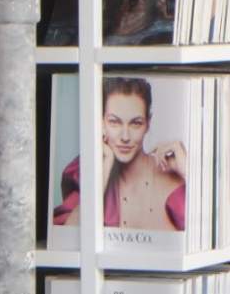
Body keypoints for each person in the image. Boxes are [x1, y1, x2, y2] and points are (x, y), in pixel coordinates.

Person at [51, 75, 188, 235]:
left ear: (148, 123)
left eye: (135, 123)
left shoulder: (177, 178)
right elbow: (67, 239)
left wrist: (188, 172)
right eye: (114, 122)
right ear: (101, 123)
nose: (125, 136)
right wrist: (102, 173)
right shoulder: (86, 172)